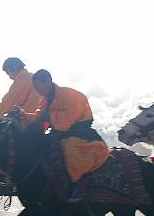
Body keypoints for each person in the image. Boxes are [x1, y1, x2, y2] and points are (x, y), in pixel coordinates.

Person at [18, 69, 110, 199]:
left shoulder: (71, 95)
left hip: (79, 134)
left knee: (69, 151)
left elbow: (67, 122)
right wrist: (23, 114)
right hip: (59, 134)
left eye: (39, 86)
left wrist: (48, 116)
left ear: (48, 81)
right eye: (36, 88)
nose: (38, 91)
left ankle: (78, 186)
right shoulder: (45, 101)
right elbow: (40, 118)